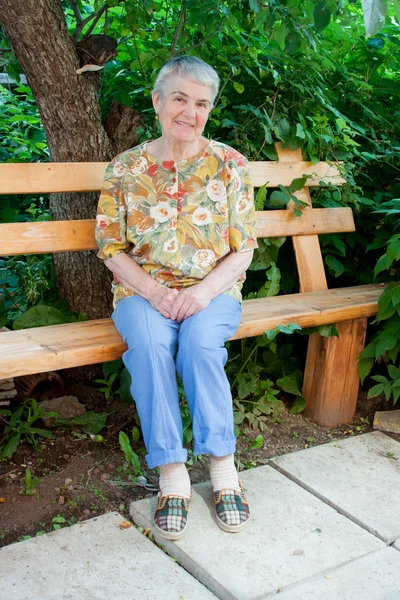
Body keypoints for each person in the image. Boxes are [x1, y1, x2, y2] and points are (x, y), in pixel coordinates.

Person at [95, 55, 258, 540]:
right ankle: (173, 476)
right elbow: (109, 246)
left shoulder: (230, 164)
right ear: (158, 101)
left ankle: (223, 467)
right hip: (142, 293)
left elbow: (244, 248)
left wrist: (204, 292)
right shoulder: (126, 168)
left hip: (213, 291)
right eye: (180, 98)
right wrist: (153, 291)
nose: (190, 111)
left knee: (201, 347)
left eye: (202, 103)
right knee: (147, 348)